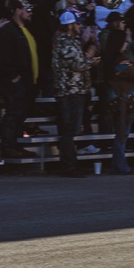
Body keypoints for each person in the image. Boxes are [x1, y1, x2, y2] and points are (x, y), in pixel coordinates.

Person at [51, 12, 100, 177]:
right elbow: (76, 64)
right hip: (69, 91)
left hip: (74, 90)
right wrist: (91, 60)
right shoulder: (65, 42)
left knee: (70, 129)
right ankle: (68, 166)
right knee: (68, 130)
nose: (80, 26)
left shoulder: (68, 41)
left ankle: (70, 164)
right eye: (78, 24)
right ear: (70, 25)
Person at [101, 12, 134, 175]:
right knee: (122, 133)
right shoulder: (120, 61)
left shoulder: (112, 59)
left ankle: (117, 164)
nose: (126, 43)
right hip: (123, 101)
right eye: (124, 41)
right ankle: (121, 165)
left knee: (121, 133)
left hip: (119, 99)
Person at [0, 0, 39, 159]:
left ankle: (16, 144)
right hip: (14, 82)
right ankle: (8, 146)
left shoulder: (22, 29)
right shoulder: (8, 30)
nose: (29, 12)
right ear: (16, 11)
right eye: (25, 9)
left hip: (27, 81)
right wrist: (13, 76)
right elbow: (4, 55)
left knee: (21, 113)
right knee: (13, 113)